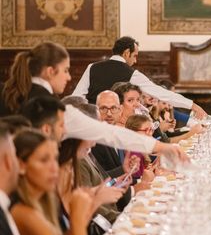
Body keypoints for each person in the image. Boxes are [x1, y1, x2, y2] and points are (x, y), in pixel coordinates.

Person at [0, 42, 189, 162]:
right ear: (50, 71)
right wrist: (162, 147)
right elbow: (108, 133)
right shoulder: (49, 106)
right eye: (65, 70)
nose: (68, 78)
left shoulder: (10, 93)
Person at [11, 129, 94, 235]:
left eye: (55, 159)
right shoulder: (24, 214)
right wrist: (77, 218)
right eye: (43, 160)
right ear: (21, 165)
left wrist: (83, 214)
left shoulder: (43, 203)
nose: (53, 168)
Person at [72, 36, 207, 118]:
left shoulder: (92, 67)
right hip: (116, 125)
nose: (135, 61)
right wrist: (192, 105)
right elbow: (162, 93)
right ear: (126, 53)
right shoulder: (131, 74)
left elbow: (77, 98)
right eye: (135, 55)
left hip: (92, 120)